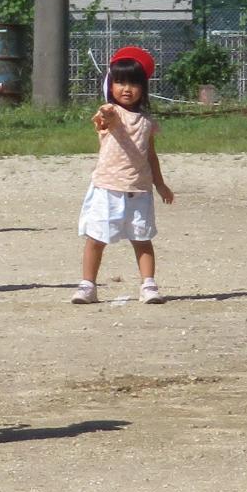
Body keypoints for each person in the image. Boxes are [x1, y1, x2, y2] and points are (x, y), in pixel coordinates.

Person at [73, 46, 173, 305]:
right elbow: (104, 119)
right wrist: (105, 114)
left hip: (139, 191)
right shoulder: (112, 112)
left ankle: (148, 285)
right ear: (111, 85)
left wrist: (160, 184)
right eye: (119, 82)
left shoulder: (146, 121)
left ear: (144, 87)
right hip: (108, 188)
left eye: (133, 83)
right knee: (96, 238)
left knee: (142, 239)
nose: (126, 88)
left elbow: (150, 155)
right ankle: (88, 286)